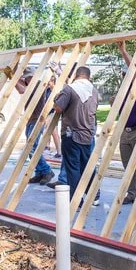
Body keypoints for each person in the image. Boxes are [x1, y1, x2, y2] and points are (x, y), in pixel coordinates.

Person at [53, 66, 99, 199]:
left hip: (71, 134)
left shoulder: (69, 89)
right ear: (88, 77)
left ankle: (76, 201)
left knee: (73, 169)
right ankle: (94, 196)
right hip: (88, 135)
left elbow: (58, 108)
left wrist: (55, 99)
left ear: (76, 75)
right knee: (87, 167)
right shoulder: (94, 91)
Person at [115, 40, 136, 204]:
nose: (126, 77)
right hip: (125, 132)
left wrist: (124, 52)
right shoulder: (123, 91)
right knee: (128, 165)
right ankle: (132, 193)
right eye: (124, 75)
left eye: (128, 74)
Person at [15, 66, 54, 185]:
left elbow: (22, 90)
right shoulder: (31, 84)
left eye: (27, 78)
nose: (25, 80)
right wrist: (15, 74)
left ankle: (47, 171)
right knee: (31, 148)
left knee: (32, 148)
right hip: (31, 120)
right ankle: (39, 172)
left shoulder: (37, 85)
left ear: (31, 77)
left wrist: (14, 78)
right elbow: (22, 85)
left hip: (37, 120)